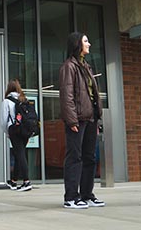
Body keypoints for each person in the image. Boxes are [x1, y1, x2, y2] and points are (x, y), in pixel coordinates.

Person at [59, 32, 104, 209]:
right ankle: (71, 197)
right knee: (74, 157)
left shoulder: (86, 66)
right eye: (86, 41)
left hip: (90, 118)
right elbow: (66, 96)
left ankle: (87, 195)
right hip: (77, 120)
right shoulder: (68, 66)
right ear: (77, 44)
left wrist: (96, 119)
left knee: (89, 158)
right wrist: (72, 121)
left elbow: (92, 95)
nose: (89, 44)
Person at [2, 79, 32, 191]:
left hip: (15, 130)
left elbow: (3, 120)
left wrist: (7, 132)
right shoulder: (23, 99)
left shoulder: (7, 101)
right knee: (19, 154)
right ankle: (14, 181)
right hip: (25, 130)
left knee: (20, 155)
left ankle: (26, 181)